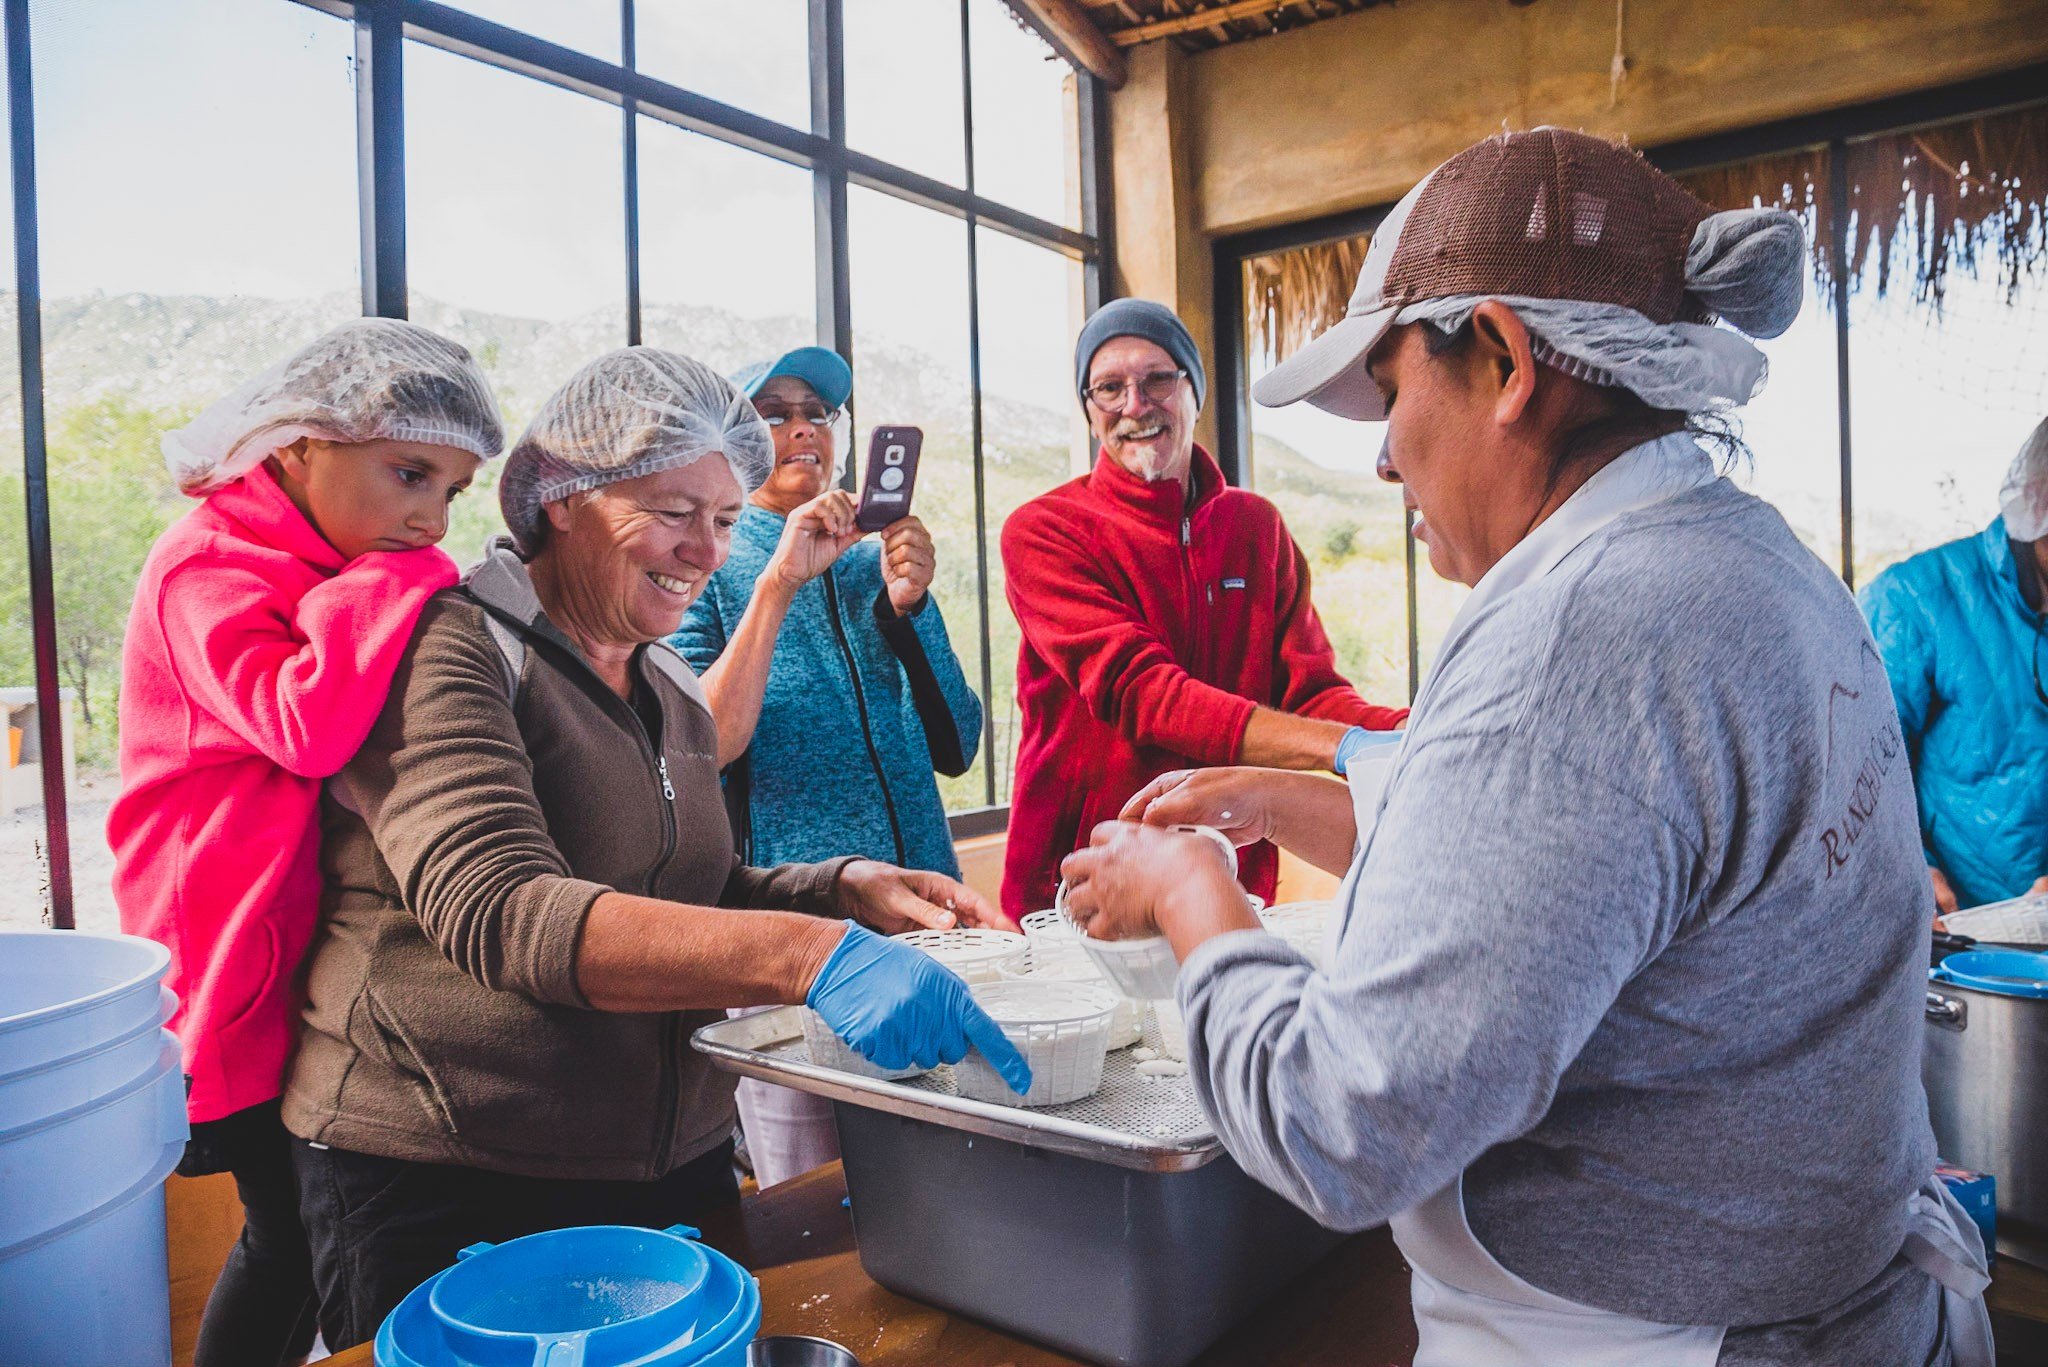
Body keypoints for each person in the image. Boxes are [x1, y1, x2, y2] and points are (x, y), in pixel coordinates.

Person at [1062, 129, 1991, 1367]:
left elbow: (1345, 1123)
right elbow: (1587, 853)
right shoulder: (1747, 558)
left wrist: (1192, 897)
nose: (1384, 455)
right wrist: (1288, 802)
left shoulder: (1581, 631)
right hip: (1832, 1294)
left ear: (1503, 359)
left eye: (1392, 395)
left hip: (1659, 1332)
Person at [281, 347, 1029, 1349]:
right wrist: (807, 958)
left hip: (657, 1163)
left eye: (722, 521)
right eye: (674, 512)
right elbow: (501, 908)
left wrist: (841, 892)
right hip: (453, 1171)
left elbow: (691, 882)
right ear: (559, 497)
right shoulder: (453, 643)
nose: (706, 551)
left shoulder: (661, 677)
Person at [107, 319, 506, 1367]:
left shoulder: (319, 559)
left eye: (451, 492)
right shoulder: (208, 560)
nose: (427, 516)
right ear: (294, 443)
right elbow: (305, 720)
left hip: (287, 936)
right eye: (408, 471)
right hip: (222, 958)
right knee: (287, 1236)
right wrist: (399, 581)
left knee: (296, 1235)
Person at [671, 346, 984, 1187]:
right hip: (795, 934)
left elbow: (959, 741)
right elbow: (696, 744)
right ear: (735, 440)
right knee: (813, 1191)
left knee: (946, 1165)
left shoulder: (874, 557)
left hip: (925, 915)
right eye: (773, 412)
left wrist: (911, 608)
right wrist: (777, 578)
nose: (802, 426)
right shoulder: (711, 563)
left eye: (818, 410)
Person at [998, 297, 1406, 919]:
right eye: (1109, 388)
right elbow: (1144, 692)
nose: (1135, 405)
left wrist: (1408, 729)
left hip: (1228, 866)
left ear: (1195, 391)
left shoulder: (1255, 527)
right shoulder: (1046, 530)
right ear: (1089, 411)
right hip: (1087, 873)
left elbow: (1309, 692)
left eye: (1158, 379)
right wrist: (1345, 745)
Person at [1862, 415, 2048, 916]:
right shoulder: (1916, 599)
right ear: (2036, 512)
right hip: (1959, 926)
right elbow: (1857, 764)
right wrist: (1909, 865)